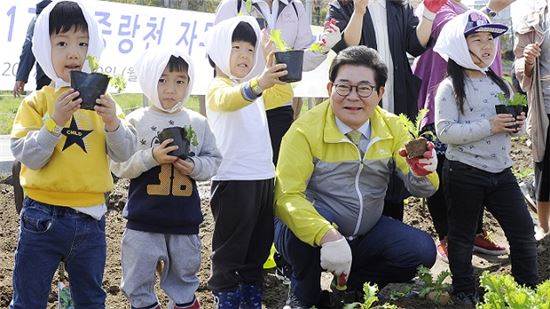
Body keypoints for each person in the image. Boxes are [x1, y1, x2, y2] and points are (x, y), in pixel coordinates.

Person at [274, 46, 439, 308]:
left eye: (364, 88)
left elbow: (422, 188)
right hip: (314, 229)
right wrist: (326, 234)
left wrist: (424, 171)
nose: (353, 97)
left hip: (366, 230)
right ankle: (304, 294)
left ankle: (355, 287)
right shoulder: (304, 131)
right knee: (297, 237)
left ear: (380, 93)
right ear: (330, 89)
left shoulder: (392, 127)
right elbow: (287, 197)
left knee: (420, 251)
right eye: (343, 87)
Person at [8, 1, 135, 308]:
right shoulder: (38, 101)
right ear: (43, 47)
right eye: (61, 43)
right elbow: (28, 155)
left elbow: (126, 153)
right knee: (28, 299)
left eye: (82, 43)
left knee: (91, 299)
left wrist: (113, 123)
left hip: (91, 218)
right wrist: (55, 122)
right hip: (42, 216)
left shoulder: (104, 102)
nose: (73, 52)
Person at [434, 10, 539, 304]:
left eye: (490, 39)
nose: (487, 45)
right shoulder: (449, 87)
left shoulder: (500, 84)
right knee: (462, 236)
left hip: (502, 171)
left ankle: (527, 288)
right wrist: (489, 126)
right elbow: (445, 132)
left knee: (523, 230)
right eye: (477, 39)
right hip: (464, 172)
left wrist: (515, 126)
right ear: (457, 45)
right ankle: (465, 290)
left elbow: (512, 128)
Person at [110, 47, 221, 309]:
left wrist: (193, 165)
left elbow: (214, 160)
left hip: (184, 221)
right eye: (162, 80)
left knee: (183, 279)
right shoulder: (137, 120)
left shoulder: (197, 122)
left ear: (189, 83)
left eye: (179, 81)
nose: (171, 89)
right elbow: (119, 165)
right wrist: (151, 157)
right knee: (137, 281)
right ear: (149, 80)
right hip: (142, 220)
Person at [412, 0, 515, 263]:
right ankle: (447, 236)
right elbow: (450, 30)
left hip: (478, 97)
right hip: (446, 98)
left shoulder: (464, 6)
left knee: (474, 165)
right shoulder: (436, 6)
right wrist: (490, 11)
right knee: (442, 167)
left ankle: (475, 232)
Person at [327, 0, 446, 222]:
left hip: (395, 99)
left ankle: (391, 232)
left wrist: (429, 13)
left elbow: (414, 44)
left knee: (395, 166)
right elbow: (344, 47)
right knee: (363, 163)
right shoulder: (342, 5)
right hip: (359, 103)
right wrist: (359, 10)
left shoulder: (397, 6)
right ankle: (357, 232)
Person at [205, 16, 292, 308]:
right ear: (218, 50)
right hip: (233, 181)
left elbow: (281, 91)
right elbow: (231, 99)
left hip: (262, 179)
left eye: (250, 50)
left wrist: (270, 57)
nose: (245, 55)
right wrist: (258, 83)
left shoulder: (253, 88)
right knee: (230, 251)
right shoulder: (218, 88)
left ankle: (251, 299)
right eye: (236, 48)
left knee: (257, 248)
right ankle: (227, 300)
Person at [214, 0, 341, 165]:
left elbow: (303, 59)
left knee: (277, 169)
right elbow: (218, 53)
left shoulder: (295, 6)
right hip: (243, 103)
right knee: (241, 170)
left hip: (280, 104)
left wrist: (324, 45)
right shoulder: (233, 5)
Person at [513, 0, 550, 240]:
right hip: (545, 104)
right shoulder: (534, 16)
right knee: (544, 165)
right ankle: (544, 227)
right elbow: (520, 67)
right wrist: (527, 59)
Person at [12, 0, 52, 97]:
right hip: (66, 74)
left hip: (47, 75)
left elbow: (28, 48)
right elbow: (28, 48)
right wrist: (21, 76)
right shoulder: (68, 17)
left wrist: (21, 77)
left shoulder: (36, 22)